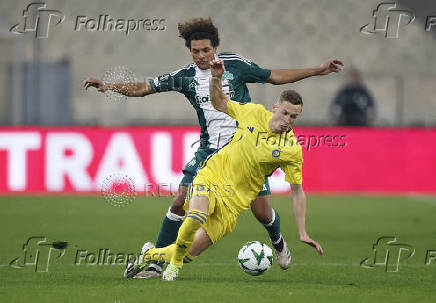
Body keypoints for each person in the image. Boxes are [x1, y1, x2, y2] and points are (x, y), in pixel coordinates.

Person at [84, 17, 342, 278]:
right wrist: (110, 87)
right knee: (179, 202)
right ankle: (154, 264)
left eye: (206, 50)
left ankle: (278, 243)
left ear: (215, 48)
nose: (201, 56)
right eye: (195, 51)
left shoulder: (235, 66)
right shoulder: (184, 77)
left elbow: (274, 76)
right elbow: (145, 87)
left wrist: (318, 70)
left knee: (262, 211)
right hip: (209, 151)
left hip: (247, 150)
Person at [124, 58, 323, 281]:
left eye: (293, 117)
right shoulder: (253, 113)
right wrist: (216, 79)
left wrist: (303, 232)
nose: (287, 120)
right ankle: (173, 266)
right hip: (213, 176)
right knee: (195, 216)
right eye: (284, 113)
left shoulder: (292, 150)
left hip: (234, 203)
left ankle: (149, 255)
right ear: (275, 108)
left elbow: (297, 191)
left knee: (189, 253)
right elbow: (219, 103)